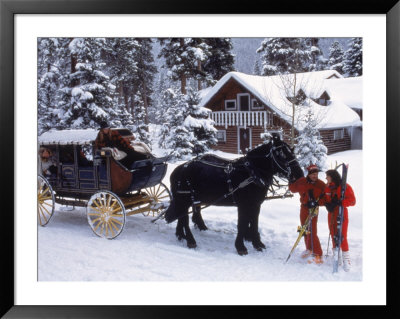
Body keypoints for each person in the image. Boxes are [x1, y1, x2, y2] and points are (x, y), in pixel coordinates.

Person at [289, 164, 326, 264]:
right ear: (308, 174)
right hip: (304, 208)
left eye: (316, 174)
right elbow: (293, 189)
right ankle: (309, 248)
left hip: (313, 210)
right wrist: (291, 180)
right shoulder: (302, 182)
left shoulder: (321, 184)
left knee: (312, 231)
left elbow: (325, 199)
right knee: (304, 229)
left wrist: (317, 203)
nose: (315, 176)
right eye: (313, 174)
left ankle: (318, 254)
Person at [324, 169, 356, 272]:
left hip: (341, 213)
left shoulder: (344, 186)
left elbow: (353, 201)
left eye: (327, 176)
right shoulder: (327, 187)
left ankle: (346, 259)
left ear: (332, 177)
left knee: (342, 236)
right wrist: (327, 204)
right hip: (331, 214)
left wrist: (341, 202)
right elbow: (324, 199)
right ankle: (337, 257)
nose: (326, 178)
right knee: (333, 235)